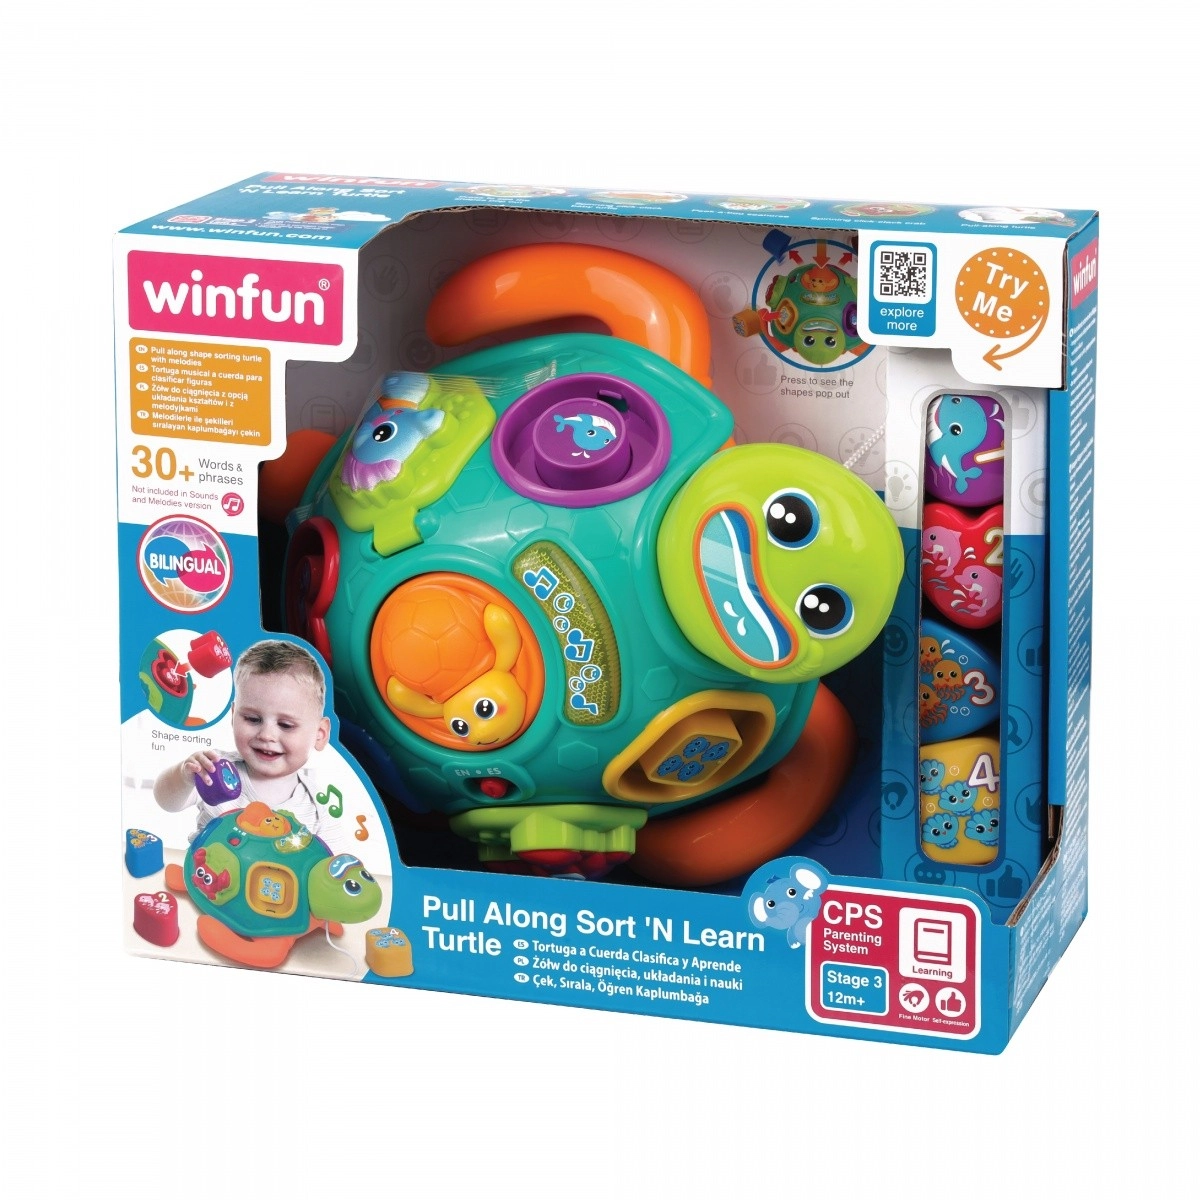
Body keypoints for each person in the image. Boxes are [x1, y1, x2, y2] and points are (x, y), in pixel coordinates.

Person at [154, 639, 351, 852]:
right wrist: (184, 776)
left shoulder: (317, 807)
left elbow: (336, 863)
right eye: (252, 719)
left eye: (285, 725)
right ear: (233, 716)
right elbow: (166, 802)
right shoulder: (215, 768)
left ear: (319, 735)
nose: (266, 735)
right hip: (205, 871)